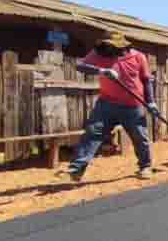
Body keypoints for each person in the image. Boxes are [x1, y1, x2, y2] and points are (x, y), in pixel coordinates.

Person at [65, 32, 159, 181]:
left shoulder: (138, 57)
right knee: (92, 132)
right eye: (106, 45)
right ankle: (77, 168)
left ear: (121, 46)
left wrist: (151, 102)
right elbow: (80, 66)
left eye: (111, 46)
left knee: (139, 137)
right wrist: (101, 71)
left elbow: (146, 81)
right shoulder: (100, 52)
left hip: (132, 106)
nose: (107, 48)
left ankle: (145, 166)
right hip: (106, 104)